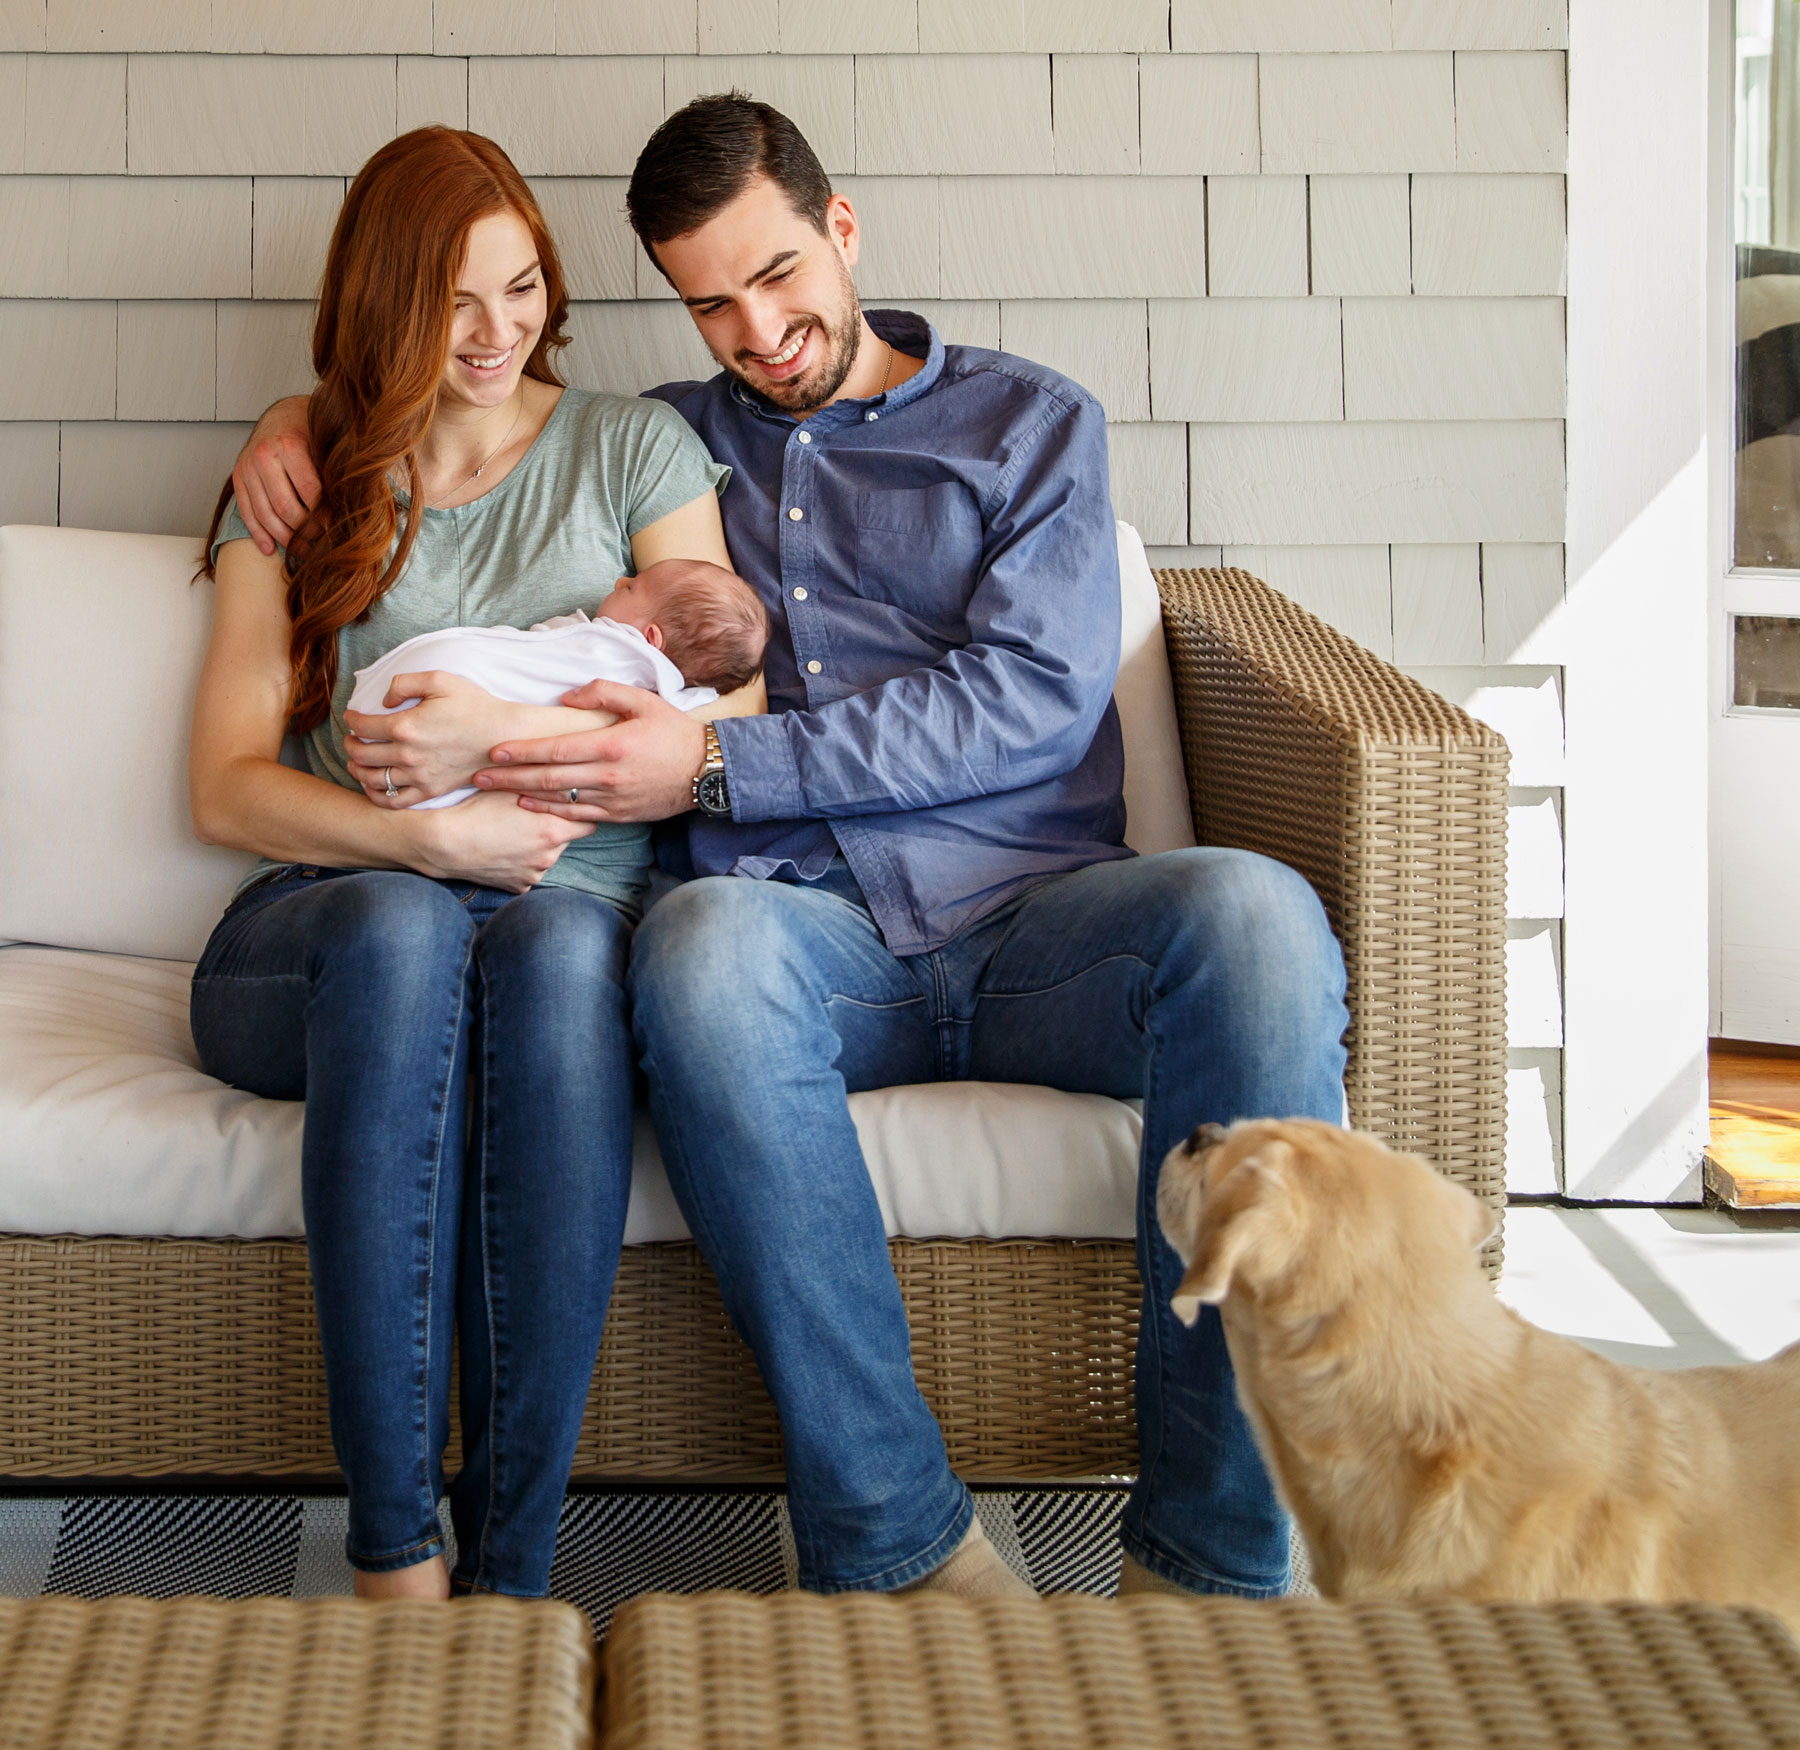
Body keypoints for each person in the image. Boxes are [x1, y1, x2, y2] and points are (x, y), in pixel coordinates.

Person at [229, 97, 1350, 1602]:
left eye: (776, 276)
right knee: (697, 946)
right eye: (710, 302)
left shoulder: (1033, 424)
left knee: (1261, 916)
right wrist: (295, 424)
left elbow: (1026, 703)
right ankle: (902, 1539)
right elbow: (467, 423)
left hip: (1046, 921)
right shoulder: (663, 450)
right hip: (805, 934)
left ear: (842, 229)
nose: (757, 329)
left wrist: (711, 756)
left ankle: (1210, 1563)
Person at [192, 125, 755, 1601]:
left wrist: (500, 730)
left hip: (557, 915)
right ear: (385, 302)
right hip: (322, 930)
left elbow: (732, 704)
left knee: (568, 951)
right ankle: (394, 1556)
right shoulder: (301, 478)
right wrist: (418, 837)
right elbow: (222, 789)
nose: (498, 332)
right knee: (395, 932)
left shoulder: (632, 450)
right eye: (453, 301)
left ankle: (509, 1578)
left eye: (520, 290)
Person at [348, 557, 769, 808]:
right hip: (414, 725)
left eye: (634, 586)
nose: (620, 580)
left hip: (401, 701)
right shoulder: (674, 705)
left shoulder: (607, 649)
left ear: (649, 639)